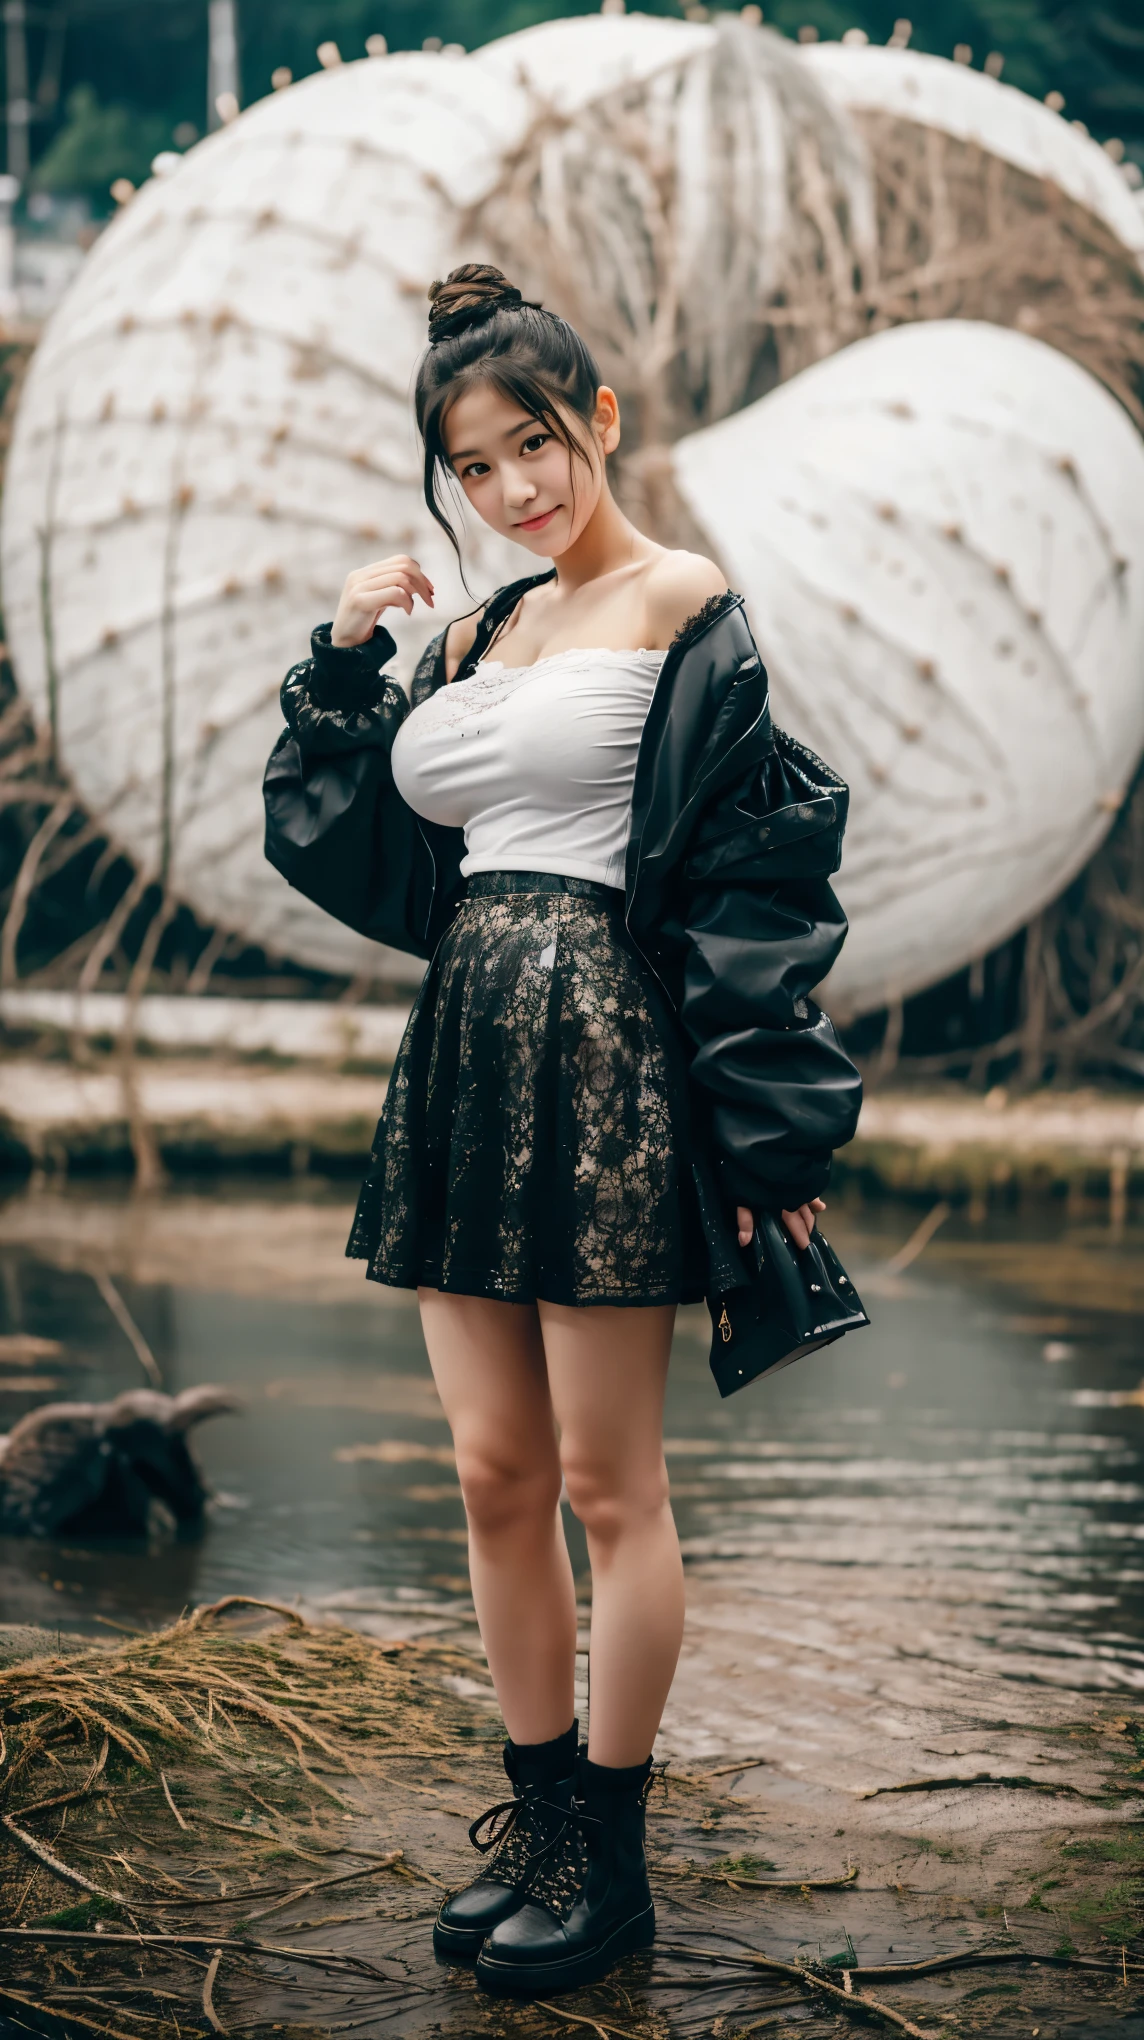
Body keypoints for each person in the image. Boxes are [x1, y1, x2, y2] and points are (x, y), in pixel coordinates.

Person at [263, 263, 862, 1999]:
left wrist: (764, 1145)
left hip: (606, 1067)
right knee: (491, 1474)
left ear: (599, 421)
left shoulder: (691, 609)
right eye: (476, 469)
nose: (516, 490)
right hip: (462, 1056)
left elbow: (753, 894)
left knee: (609, 1482)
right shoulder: (474, 634)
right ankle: (533, 1825)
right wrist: (345, 662)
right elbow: (355, 849)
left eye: (537, 445)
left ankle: (608, 1857)